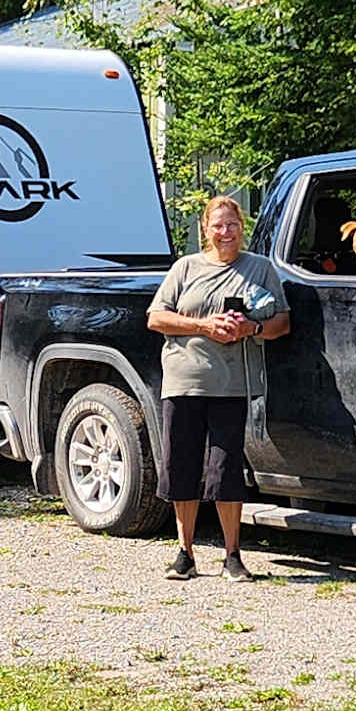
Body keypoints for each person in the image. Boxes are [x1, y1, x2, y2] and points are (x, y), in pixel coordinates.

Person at [147, 193, 292, 580]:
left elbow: (282, 323)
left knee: (225, 469)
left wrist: (251, 328)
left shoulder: (259, 269)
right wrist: (204, 326)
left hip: (232, 383)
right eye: (218, 225)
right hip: (184, 380)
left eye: (232, 224)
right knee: (182, 465)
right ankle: (185, 553)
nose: (225, 232)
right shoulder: (185, 267)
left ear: (242, 227)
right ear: (205, 230)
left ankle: (232, 555)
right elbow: (156, 319)